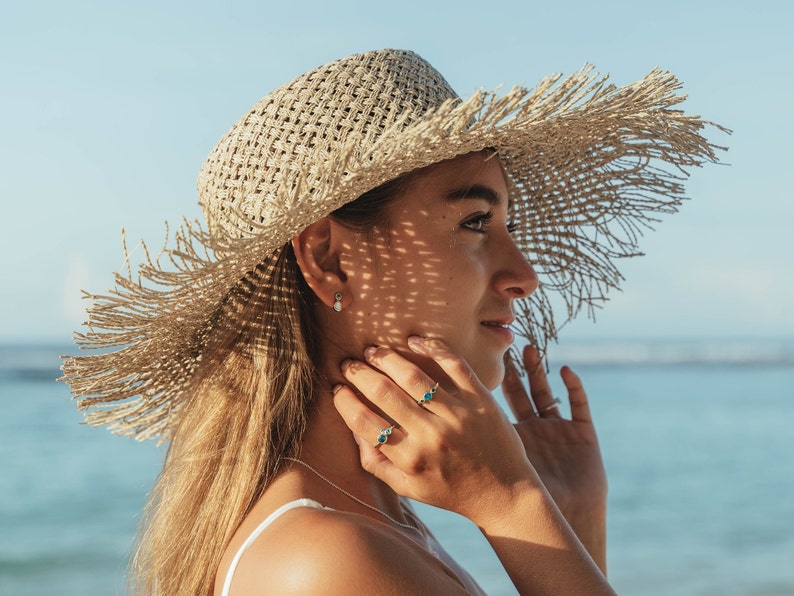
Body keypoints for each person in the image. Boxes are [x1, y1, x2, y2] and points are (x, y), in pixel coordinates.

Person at [62, 49, 724, 595]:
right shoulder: (333, 563)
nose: (524, 272)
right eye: (474, 223)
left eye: (508, 225)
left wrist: (572, 524)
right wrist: (514, 505)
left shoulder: (367, 523)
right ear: (329, 260)